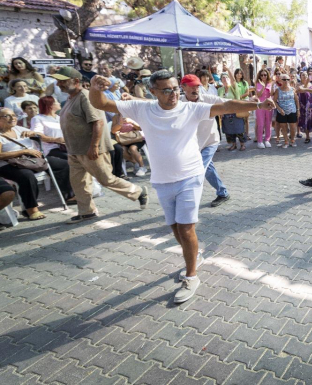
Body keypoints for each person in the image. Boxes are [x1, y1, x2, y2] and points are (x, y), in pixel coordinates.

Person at [90, 70, 274, 302]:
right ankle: (195, 257)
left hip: (190, 176)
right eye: (166, 90)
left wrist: (258, 105)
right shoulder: (142, 108)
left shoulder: (190, 109)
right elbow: (102, 103)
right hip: (162, 180)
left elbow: (226, 105)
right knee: (176, 228)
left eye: (175, 89)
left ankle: (191, 276)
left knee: (186, 229)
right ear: (153, 91)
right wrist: (94, 87)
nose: (173, 94)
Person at [51, 67, 150, 223]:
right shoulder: (71, 98)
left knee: (106, 179)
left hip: (90, 149)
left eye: (62, 81)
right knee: (79, 183)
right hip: (75, 150)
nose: (58, 84)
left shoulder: (85, 97)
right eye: (58, 81)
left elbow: (98, 122)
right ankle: (87, 212)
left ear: (76, 81)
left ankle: (139, 192)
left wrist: (94, 146)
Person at [178, 74, 230, 207]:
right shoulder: (178, 102)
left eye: (197, 86)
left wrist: (255, 103)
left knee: (199, 168)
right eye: (192, 86)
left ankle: (187, 199)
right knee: (208, 168)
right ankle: (223, 192)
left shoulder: (208, 99)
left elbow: (228, 103)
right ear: (183, 87)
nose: (195, 89)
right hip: (193, 144)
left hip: (210, 141)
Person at [274, 73, 299, 148]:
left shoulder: (292, 89)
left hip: (292, 110)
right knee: (283, 127)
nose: (286, 81)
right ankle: (286, 141)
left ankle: (292, 140)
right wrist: (279, 109)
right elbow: (274, 101)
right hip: (282, 111)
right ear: (280, 80)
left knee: (293, 127)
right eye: (284, 79)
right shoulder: (278, 90)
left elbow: (296, 100)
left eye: (288, 79)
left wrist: (298, 110)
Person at [297, 71, 312, 144]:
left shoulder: (311, 84)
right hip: (304, 106)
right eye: (303, 75)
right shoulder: (298, 85)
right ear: (300, 77)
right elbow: (302, 90)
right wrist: (306, 83)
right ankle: (307, 137)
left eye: (306, 75)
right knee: (306, 121)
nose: (305, 76)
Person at [254, 69, 274, 149]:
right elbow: (258, 95)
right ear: (259, 76)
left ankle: (267, 140)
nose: (263, 76)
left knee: (268, 123)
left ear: (267, 75)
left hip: (269, 105)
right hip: (260, 106)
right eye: (261, 75)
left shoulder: (270, 83)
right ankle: (259, 141)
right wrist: (263, 87)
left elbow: (272, 94)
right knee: (260, 124)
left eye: (265, 75)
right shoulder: (257, 84)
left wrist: (272, 86)